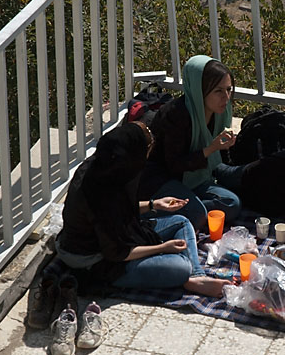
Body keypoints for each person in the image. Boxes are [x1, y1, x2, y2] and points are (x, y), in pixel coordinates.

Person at [55, 122, 232, 298]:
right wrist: (161, 247)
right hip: (96, 260)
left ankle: (196, 277)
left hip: (118, 238)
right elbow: (117, 252)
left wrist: (154, 204)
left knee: (181, 222)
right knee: (181, 267)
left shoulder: (108, 167)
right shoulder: (99, 191)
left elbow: (120, 210)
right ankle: (190, 275)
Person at [138, 55, 243, 231]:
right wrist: (211, 149)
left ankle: (186, 206)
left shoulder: (220, 112)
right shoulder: (176, 114)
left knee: (232, 203)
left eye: (228, 90)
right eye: (218, 91)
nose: (226, 97)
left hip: (196, 177)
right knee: (197, 215)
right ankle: (143, 212)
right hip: (162, 179)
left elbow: (222, 159)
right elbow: (174, 165)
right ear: (199, 90)